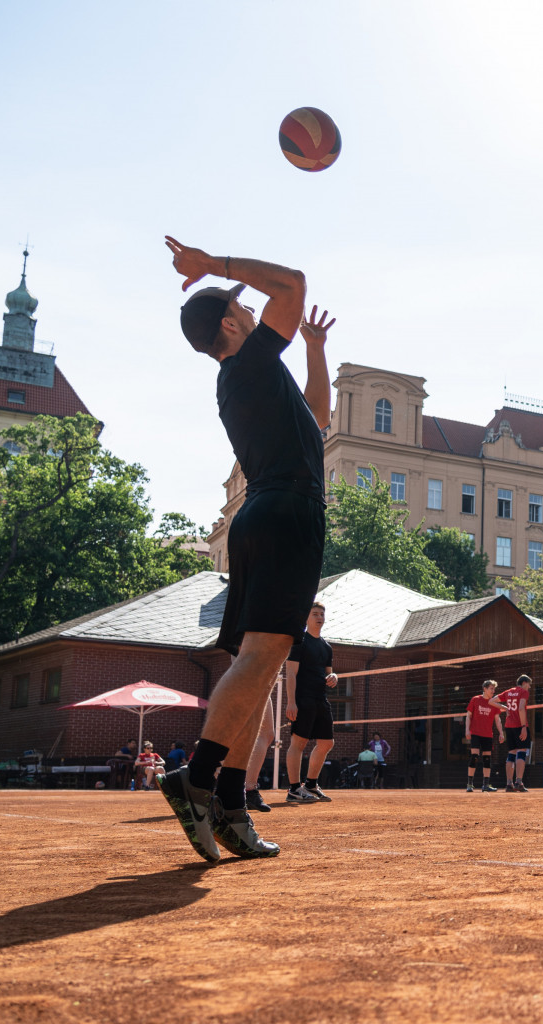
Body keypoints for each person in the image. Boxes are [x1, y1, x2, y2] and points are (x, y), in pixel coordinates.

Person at [158, 237, 334, 862]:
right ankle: (198, 777)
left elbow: (316, 419)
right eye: (242, 305)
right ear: (232, 325)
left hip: (261, 514)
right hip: (287, 513)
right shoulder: (251, 360)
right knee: (262, 658)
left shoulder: (245, 377)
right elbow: (293, 283)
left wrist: (315, 350)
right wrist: (211, 265)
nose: (257, 309)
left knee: (259, 664)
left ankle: (231, 802)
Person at [285, 601, 338, 805]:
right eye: (315, 614)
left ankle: (310, 785)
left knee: (326, 743)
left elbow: (328, 673)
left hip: (320, 698)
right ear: (306, 618)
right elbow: (291, 673)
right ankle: (293, 789)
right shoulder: (299, 642)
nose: (319, 617)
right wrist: (291, 702)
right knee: (299, 742)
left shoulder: (326, 647)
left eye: (322, 614)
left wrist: (334, 677)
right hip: (303, 699)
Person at [243, 686, 277, 813]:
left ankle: (249, 790)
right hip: (253, 678)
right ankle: (248, 790)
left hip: (262, 682)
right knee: (262, 733)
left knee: (266, 733)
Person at [464, 679, 501, 793]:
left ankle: (486, 785)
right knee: (474, 757)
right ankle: (470, 784)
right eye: (491, 689)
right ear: (485, 689)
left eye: (494, 689)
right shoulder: (475, 699)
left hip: (487, 735)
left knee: (487, 759)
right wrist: (467, 730)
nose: (493, 691)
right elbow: (468, 716)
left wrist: (501, 732)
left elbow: (497, 719)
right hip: (475, 733)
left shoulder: (494, 703)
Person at [497, 674, 533, 792]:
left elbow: (491, 701)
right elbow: (521, 708)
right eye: (529, 684)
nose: (529, 687)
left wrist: (505, 708)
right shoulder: (523, 692)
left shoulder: (508, 692)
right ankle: (518, 782)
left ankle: (509, 784)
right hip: (519, 725)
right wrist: (523, 726)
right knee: (521, 752)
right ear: (524, 683)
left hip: (508, 726)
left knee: (511, 753)